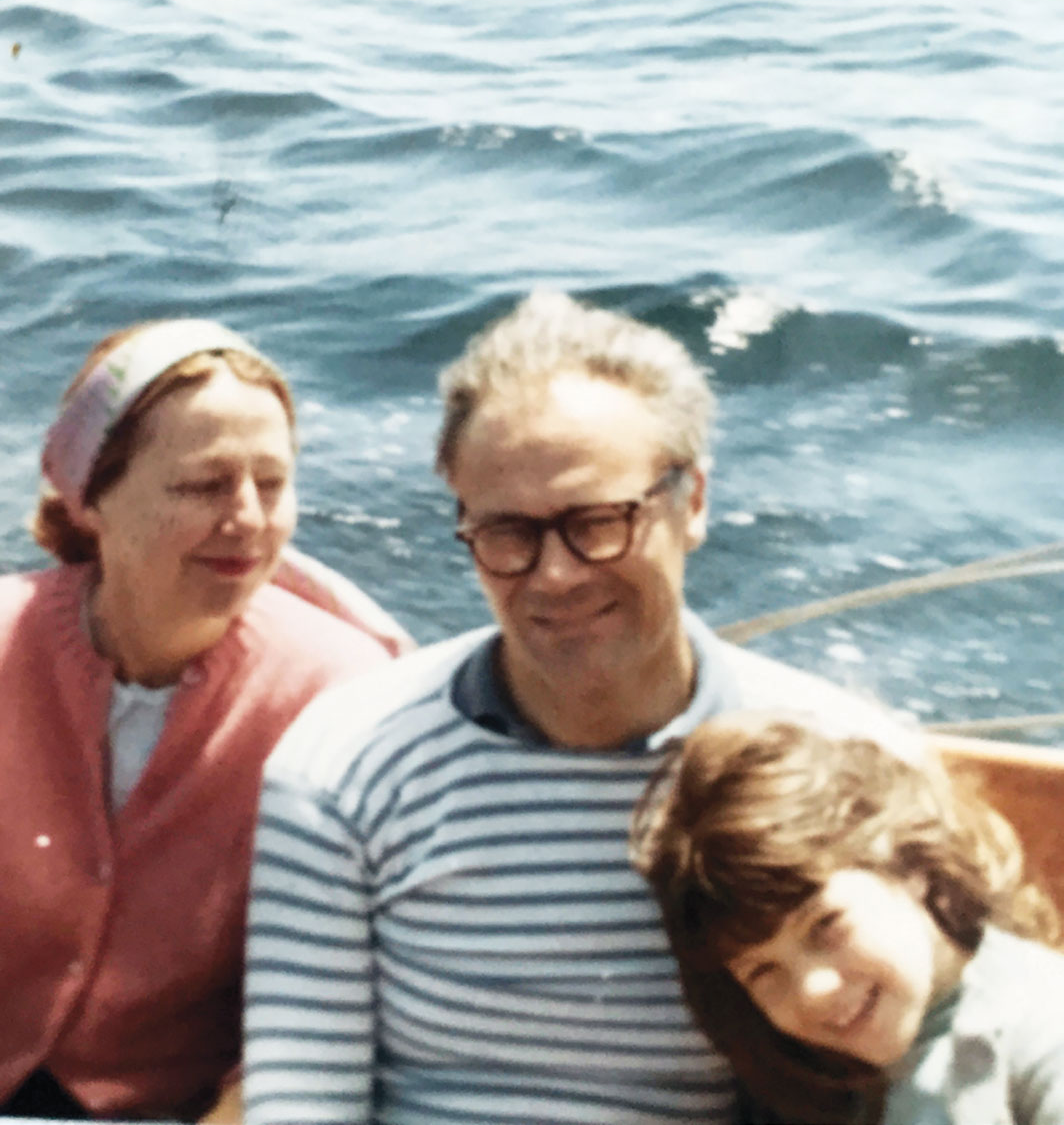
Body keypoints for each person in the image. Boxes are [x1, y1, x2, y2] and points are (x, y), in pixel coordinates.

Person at [244, 290, 914, 1125]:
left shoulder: (836, 763)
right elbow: (300, 1100)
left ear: (692, 501)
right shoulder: (344, 760)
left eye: (598, 522)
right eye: (508, 534)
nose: (554, 575)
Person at [0, 318, 411, 1123]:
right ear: (91, 500)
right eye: (203, 485)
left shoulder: (342, 693)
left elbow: (328, 1006)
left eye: (273, 482)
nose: (250, 519)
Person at [632, 714, 1064, 1125]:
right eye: (763, 971)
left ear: (909, 862)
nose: (813, 990)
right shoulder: (813, 1076)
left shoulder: (1040, 1034)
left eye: (825, 925)